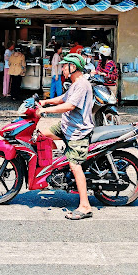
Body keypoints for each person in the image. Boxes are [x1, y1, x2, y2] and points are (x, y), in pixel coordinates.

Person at [38, 53, 95, 220]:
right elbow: (63, 98)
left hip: (78, 132)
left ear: (73, 67)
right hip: (65, 127)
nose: (62, 68)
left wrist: (45, 110)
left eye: (65, 66)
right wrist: (45, 102)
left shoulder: (82, 84)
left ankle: (85, 206)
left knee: (74, 165)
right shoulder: (74, 83)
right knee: (41, 136)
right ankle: (56, 166)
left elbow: (69, 105)